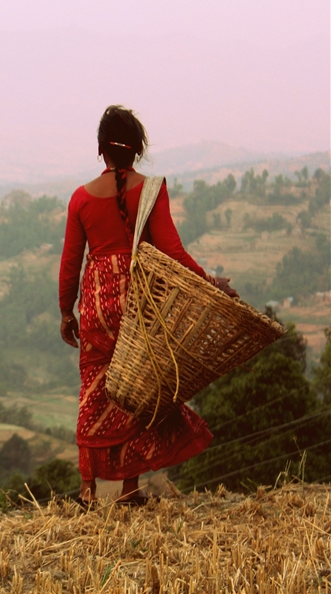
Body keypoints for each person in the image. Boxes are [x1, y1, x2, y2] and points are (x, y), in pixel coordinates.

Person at [58, 105, 238, 505]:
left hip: (97, 306)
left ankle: (87, 489)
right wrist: (211, 283)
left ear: (101, 150)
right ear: (137, 149)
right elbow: (172, 250)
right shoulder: (152, 190)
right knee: (138, 392)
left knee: (94, 390)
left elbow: (70, 262)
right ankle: (129, 489)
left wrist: (66, 311)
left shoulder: (80, 198)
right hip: (140, 304)